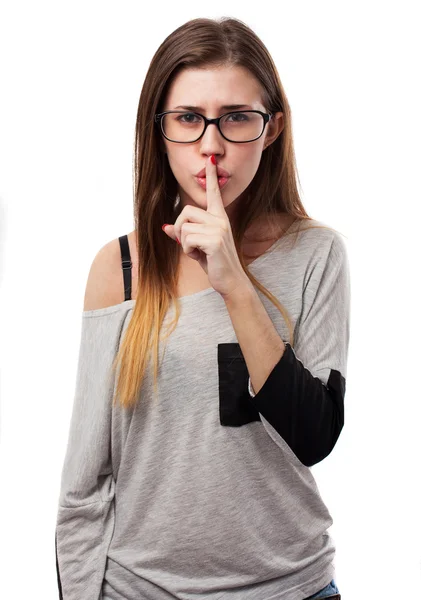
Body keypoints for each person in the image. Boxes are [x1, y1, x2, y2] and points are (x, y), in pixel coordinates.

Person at [55, 16, 349, 600]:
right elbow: (85, 486)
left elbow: (314, 435)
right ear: (158, 131)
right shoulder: (120, 270)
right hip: (141, 590)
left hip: (294, 587)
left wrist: (235, 284)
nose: (211, 145)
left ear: (271, 130)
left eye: (237, 118)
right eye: (189, 119)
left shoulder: (316, 253)